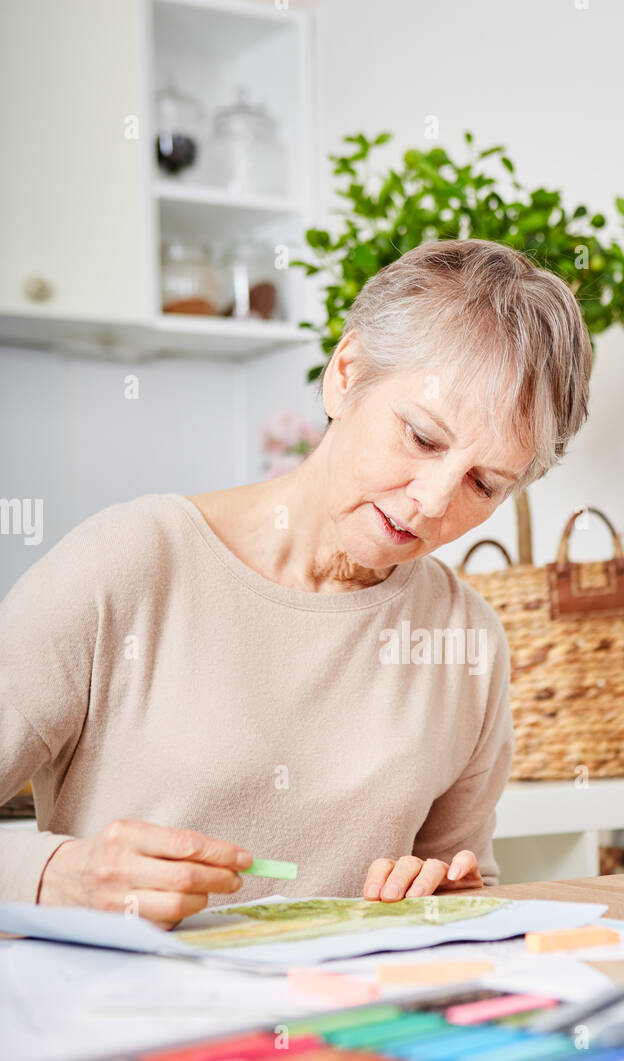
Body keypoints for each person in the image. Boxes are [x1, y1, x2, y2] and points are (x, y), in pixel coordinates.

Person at [0, 238, 592, 925]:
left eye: (484, 483)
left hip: (348, 1023)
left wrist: (445, 903)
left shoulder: (465, 640)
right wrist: (55, 877)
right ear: (346, 373)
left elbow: (464, 880)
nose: (434, 500)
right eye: (423, 438)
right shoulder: (130, 563)